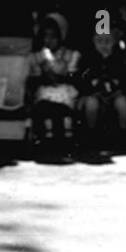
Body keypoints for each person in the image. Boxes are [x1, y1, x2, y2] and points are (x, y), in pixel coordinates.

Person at [28, 10, 81, 148]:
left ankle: (61, 143)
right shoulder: (36, 56)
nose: (48, 41)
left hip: (64, 93)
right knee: (43, 106)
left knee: (58, 110)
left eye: (53, 37)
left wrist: (54, 67)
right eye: (45, 36)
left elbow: (69, 76)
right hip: (44, 93)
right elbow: (35, 78)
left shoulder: (72, 54)